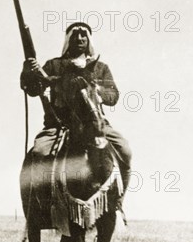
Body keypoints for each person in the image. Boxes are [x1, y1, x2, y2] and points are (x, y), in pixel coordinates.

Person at [20, 22, 132, 217]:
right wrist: (29, 71)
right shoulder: (54, 65)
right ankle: (44, 206)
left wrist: (98, 92)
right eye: (75, 35)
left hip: (96, 125)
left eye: (84, 35)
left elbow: (113, 95)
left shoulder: (101, 68)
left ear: (89, 40)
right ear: (68, 40)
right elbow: (33, 89)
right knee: (39, 153)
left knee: (125, 150)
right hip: (58, 126)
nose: (80, 39)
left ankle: (117, 201)